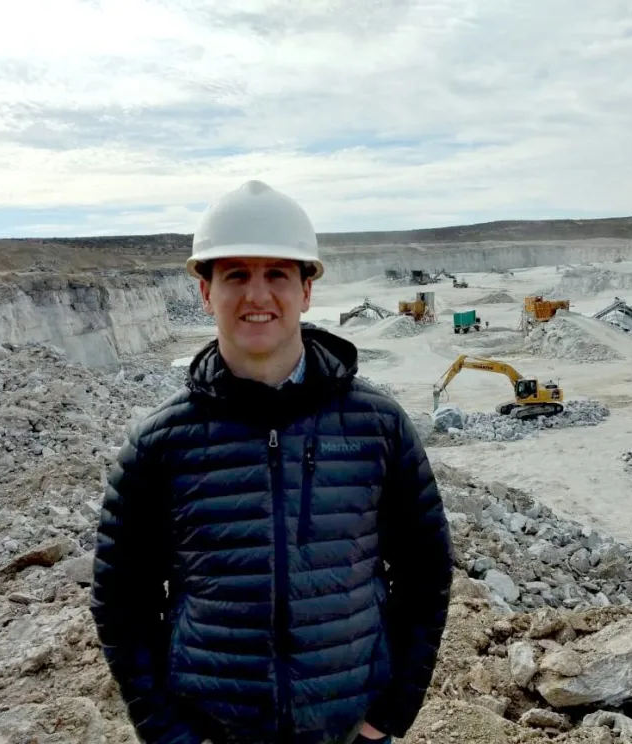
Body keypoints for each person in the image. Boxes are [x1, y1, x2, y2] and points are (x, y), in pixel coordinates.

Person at [91, 180, 455, 744]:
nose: (257, 295)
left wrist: (387, 716)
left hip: (349, 732)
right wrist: (168, 734)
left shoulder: (378, 426)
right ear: (206, 292)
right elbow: (122, 603)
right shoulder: (159, 444)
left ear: (306, 290)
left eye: (277, 275)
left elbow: (426, 572)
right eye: (236, 275)